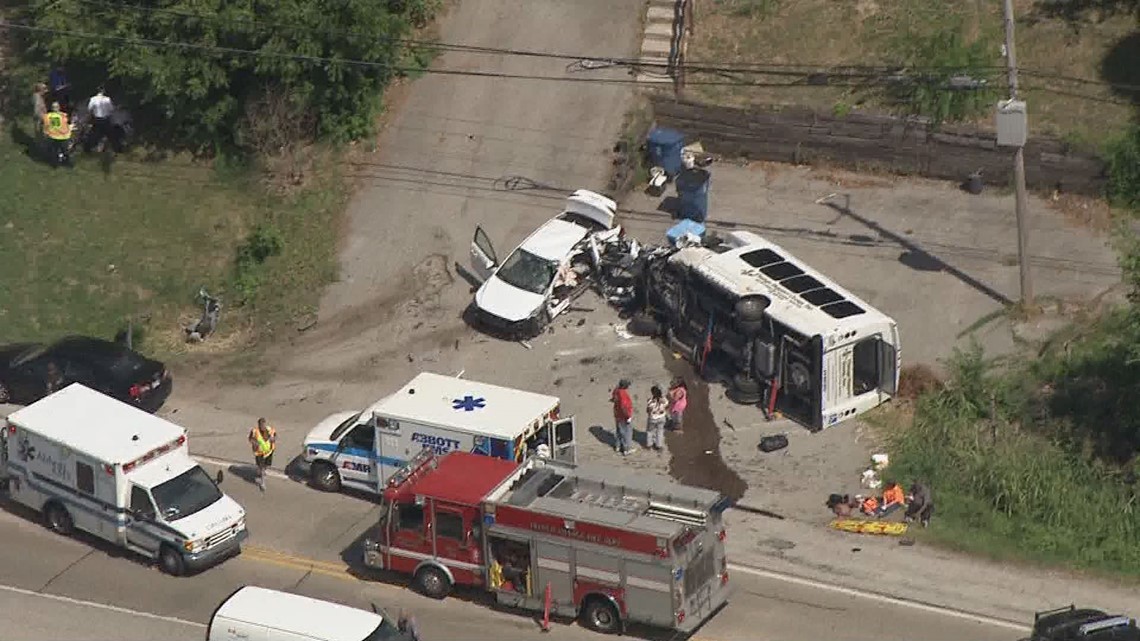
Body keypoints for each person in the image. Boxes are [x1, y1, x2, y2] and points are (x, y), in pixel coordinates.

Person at [247, 418, 277, 492]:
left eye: (263, 424)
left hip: (269, 452)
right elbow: (250, 439)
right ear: (258, 425)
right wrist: (255, 443)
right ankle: (262, 483)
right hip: (259, 453)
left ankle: (260, 471)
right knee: (262, 468)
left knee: (267, 465)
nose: (262, 426)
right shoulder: (254, 431)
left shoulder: (270, 430)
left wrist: (273, 439)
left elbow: (275, 436)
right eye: (260, 425)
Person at [42, 102, 72, 167]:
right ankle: (56, 164)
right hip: (56, 136)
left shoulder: (63, 115)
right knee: (56, 151)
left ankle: (64, 163)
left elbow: (67, 124)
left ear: (59, 107)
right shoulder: (49, 116)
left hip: (62, 136)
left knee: (63, 152)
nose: (55, 108)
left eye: (56, 106)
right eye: (54, 107)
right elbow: (46, 126)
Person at [86, 87, 115, 152]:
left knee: (94, 135)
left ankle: (89, 148)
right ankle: (116, 149)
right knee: (111, 135)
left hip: (97, 119)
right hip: (106, 119)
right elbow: (111, 109)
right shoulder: (107, 99)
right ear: (103, 91)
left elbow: (89, 109)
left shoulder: (93, 99)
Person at [610, 379, 634, 456]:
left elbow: (613, 399)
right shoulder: (623, 394)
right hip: (623, 416)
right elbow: (624, 406)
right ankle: (626, 449)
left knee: (619, 431)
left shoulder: (616, 391)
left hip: (617, 414)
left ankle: (618, 446)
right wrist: (628, 416)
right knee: (627, 432)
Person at [645, 384, 668, 452]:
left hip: (652, 418)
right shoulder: (664, 400)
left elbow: (648, 410)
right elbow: (667, 406)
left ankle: (649, 445)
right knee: (660, 431)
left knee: (650, 431)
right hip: (662, 418)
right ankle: (659, 445)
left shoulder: (650, 401)